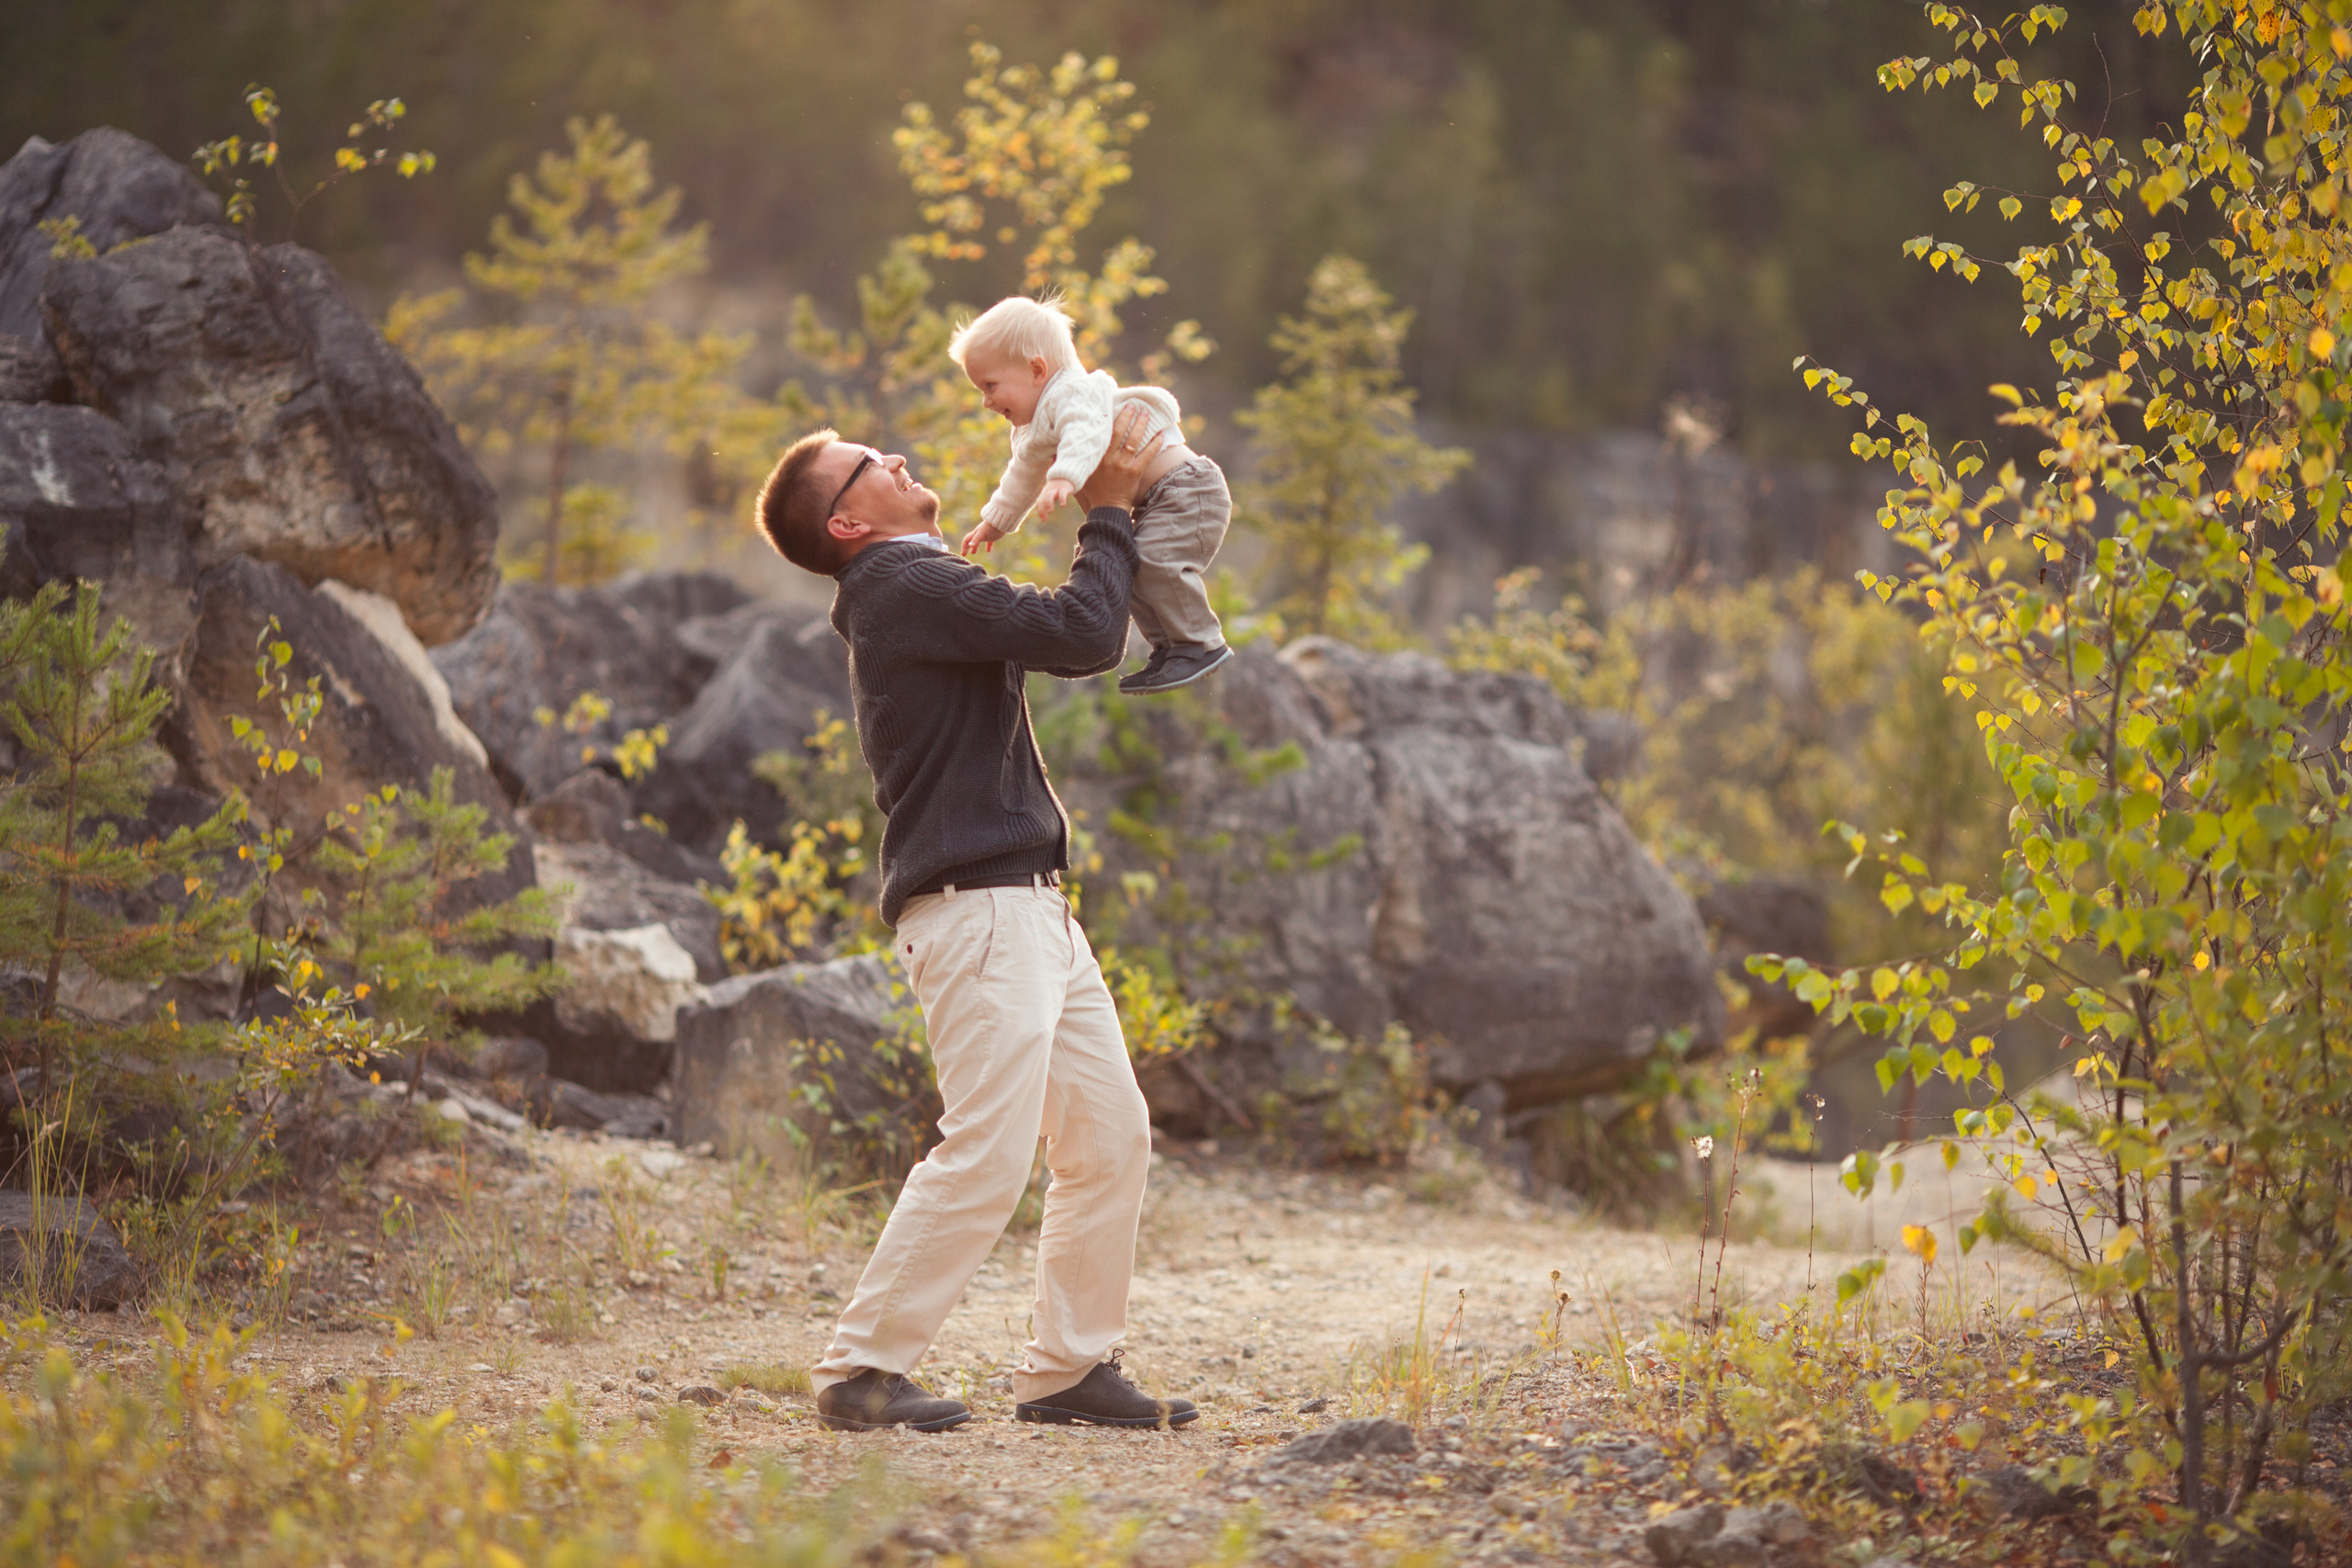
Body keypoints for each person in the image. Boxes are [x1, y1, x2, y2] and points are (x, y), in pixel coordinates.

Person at [752, 404, 1200, 1435]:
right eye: (869, 463)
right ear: (850, 524)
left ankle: (1066, 1369)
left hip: (1026, 906)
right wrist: (1108, 507)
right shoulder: (899, 581)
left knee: (1108, 1134)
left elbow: (1063, 630)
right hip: (980, 911)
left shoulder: (908, 584)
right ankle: (861, 1368)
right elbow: (1084, 634)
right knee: (988, 1150)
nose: (895, 457)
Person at [951, 294, 1233, 694]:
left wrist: (1064, 477)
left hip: (1187, 488)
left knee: (1156, 562)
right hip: (1158, 500)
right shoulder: (1033, 429)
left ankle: (1200, 643)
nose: (987, 401)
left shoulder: (1074, 393)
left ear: (1036, 369)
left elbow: (1088, 429)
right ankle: (1170, 648)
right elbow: (1022, 475)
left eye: (991, 386)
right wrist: (995, 522)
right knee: (1129, 568)